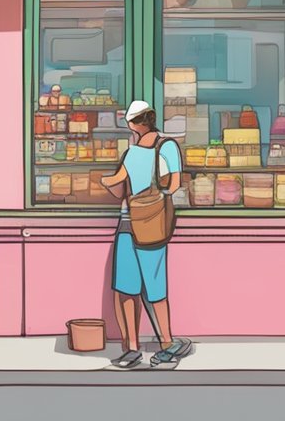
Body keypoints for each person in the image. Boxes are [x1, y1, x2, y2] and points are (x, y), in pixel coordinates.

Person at [100, 100, 192, 369]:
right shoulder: (168, 146)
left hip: (127, 225)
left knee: (126, 290)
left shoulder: (130, 153)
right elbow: (174, 185)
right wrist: (154, 198)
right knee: (155, 287)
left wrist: (105, 181)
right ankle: (166, 343)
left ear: (132, 124)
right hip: (152, 225)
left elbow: (117, 185)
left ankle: (131, 349)